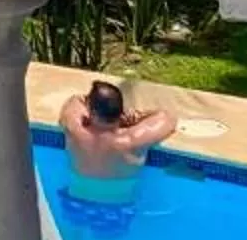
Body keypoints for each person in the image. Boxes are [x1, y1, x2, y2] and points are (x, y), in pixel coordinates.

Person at [60, 77, 177, 208]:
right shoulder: (132, 140)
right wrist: (136, 116)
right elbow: (167, 118)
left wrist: (88, 104)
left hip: (76, 204)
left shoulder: (75, 130)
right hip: (117, 211)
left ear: (91, 111)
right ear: (120, 112)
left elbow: (74, 101)